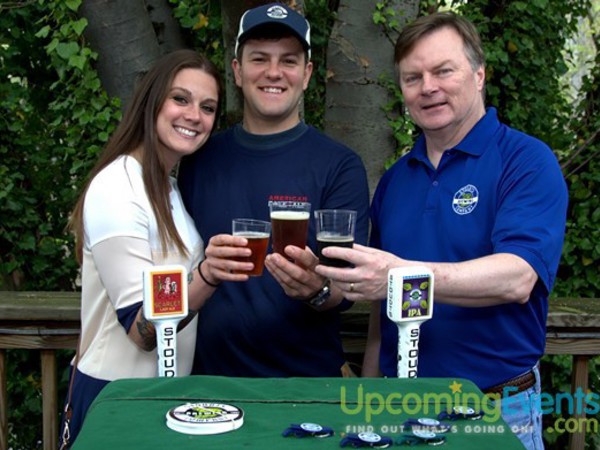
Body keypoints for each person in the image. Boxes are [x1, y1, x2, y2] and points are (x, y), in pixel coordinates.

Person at [315, 11, 568, 450]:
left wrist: (400, 275)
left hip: (494, 410)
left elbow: (517, 277)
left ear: (479, 74)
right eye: (412, 78)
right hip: (397, 407)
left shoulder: (526, 160)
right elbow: (381, 306)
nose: (427, 87)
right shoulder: (395, 180)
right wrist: (369, 396)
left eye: (443, 71)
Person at [177, 2, 370, 377]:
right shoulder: (199, 159)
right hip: (209, 383)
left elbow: (345, 288)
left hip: (307, 384)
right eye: (259, 59)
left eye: (289, 61)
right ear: (237, 71)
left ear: (307, 74)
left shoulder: (339, 165)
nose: (274, 72)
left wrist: (316, 289)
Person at [61, 49, 234, 446]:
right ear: (152, 101)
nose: (194, 115)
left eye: (207, 107)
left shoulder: (168, 187)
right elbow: (142, 331)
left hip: (161, 396)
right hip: (115, 396)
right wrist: (209, 275)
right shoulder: (117, 187)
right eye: (180, 99)